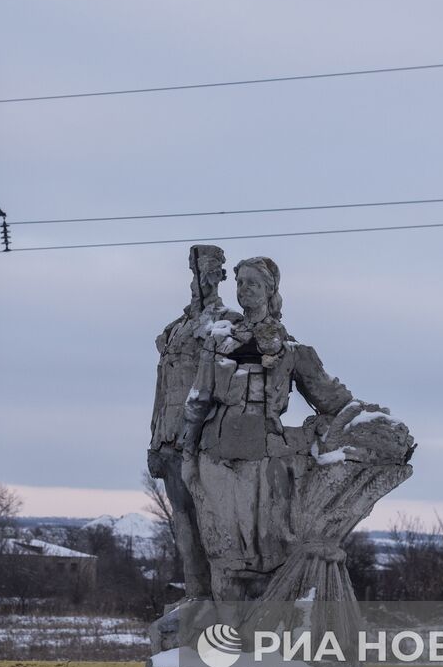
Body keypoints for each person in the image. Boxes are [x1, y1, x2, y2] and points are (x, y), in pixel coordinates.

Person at [181, 256, 361, 601]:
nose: (243, 290)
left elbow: (330, 397)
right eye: (240, 283)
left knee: (267, 554)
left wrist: (361, 419)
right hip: (216, 458)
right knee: (224, 554)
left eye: (253, 283)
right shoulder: (218, 342)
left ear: (270, 291)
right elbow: (197, 400)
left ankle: (264, 635)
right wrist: (188, 453)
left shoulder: (291, 350)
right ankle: (225, 637)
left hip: (263, 460)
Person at [148, 245, 241, 600]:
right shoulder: (175, 328)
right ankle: (197, 595)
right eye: (197, 270)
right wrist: (155, 438)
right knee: (184, 523)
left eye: (210, 270)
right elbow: (162, 385)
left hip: (205, 439)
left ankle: (222, 600)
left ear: (220, 274)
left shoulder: (226, 323)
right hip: (170, 436)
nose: (202, 278)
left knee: (212, 525)